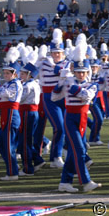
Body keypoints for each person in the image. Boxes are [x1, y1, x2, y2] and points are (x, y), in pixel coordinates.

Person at [53, 42, 101, 193]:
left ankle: (65, 182)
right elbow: (54, 97)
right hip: (70, 117)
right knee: (79, 150)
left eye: (83, 72)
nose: (81, 74)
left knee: (75, 151)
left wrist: (70, 85)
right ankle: (86, 182)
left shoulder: (92, 85)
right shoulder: (68, 81)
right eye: (78, 72)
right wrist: (61, 81)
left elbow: (86, 97)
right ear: (74, 72)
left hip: (82, 118)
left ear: (88, 72)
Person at [0, 46, 23, 181]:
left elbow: (6, 95)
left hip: (11, 114)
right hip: (5, 114)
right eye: (4, 73)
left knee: (8, 144)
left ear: (14, 74)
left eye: (8, 73)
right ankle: (12, 166)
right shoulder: (8, 83)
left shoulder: (15, 84)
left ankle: (12, 172)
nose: (5, 76)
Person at [39, 29, 69, 168]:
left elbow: (64, 72)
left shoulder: (67, 63)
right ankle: (56, 156)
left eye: (59, 53)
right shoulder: (44, 63)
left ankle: (59, 153)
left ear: (63, 53)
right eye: (54, 52)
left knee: (66, 127)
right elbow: (31, 71)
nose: (56, 55)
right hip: (50, 98)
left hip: (64, 97)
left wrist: (56, 67)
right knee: (59, 127)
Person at [18, 50, 44, 175]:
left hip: (27, 112)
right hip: (32, 112)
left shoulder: (28, 85)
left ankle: (28, 168)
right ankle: (37, 160)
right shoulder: (32, 83)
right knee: (27, 139)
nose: (20, 75)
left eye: (23, 73)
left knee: (25, 140)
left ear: (29, 74)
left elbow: (20, 98)